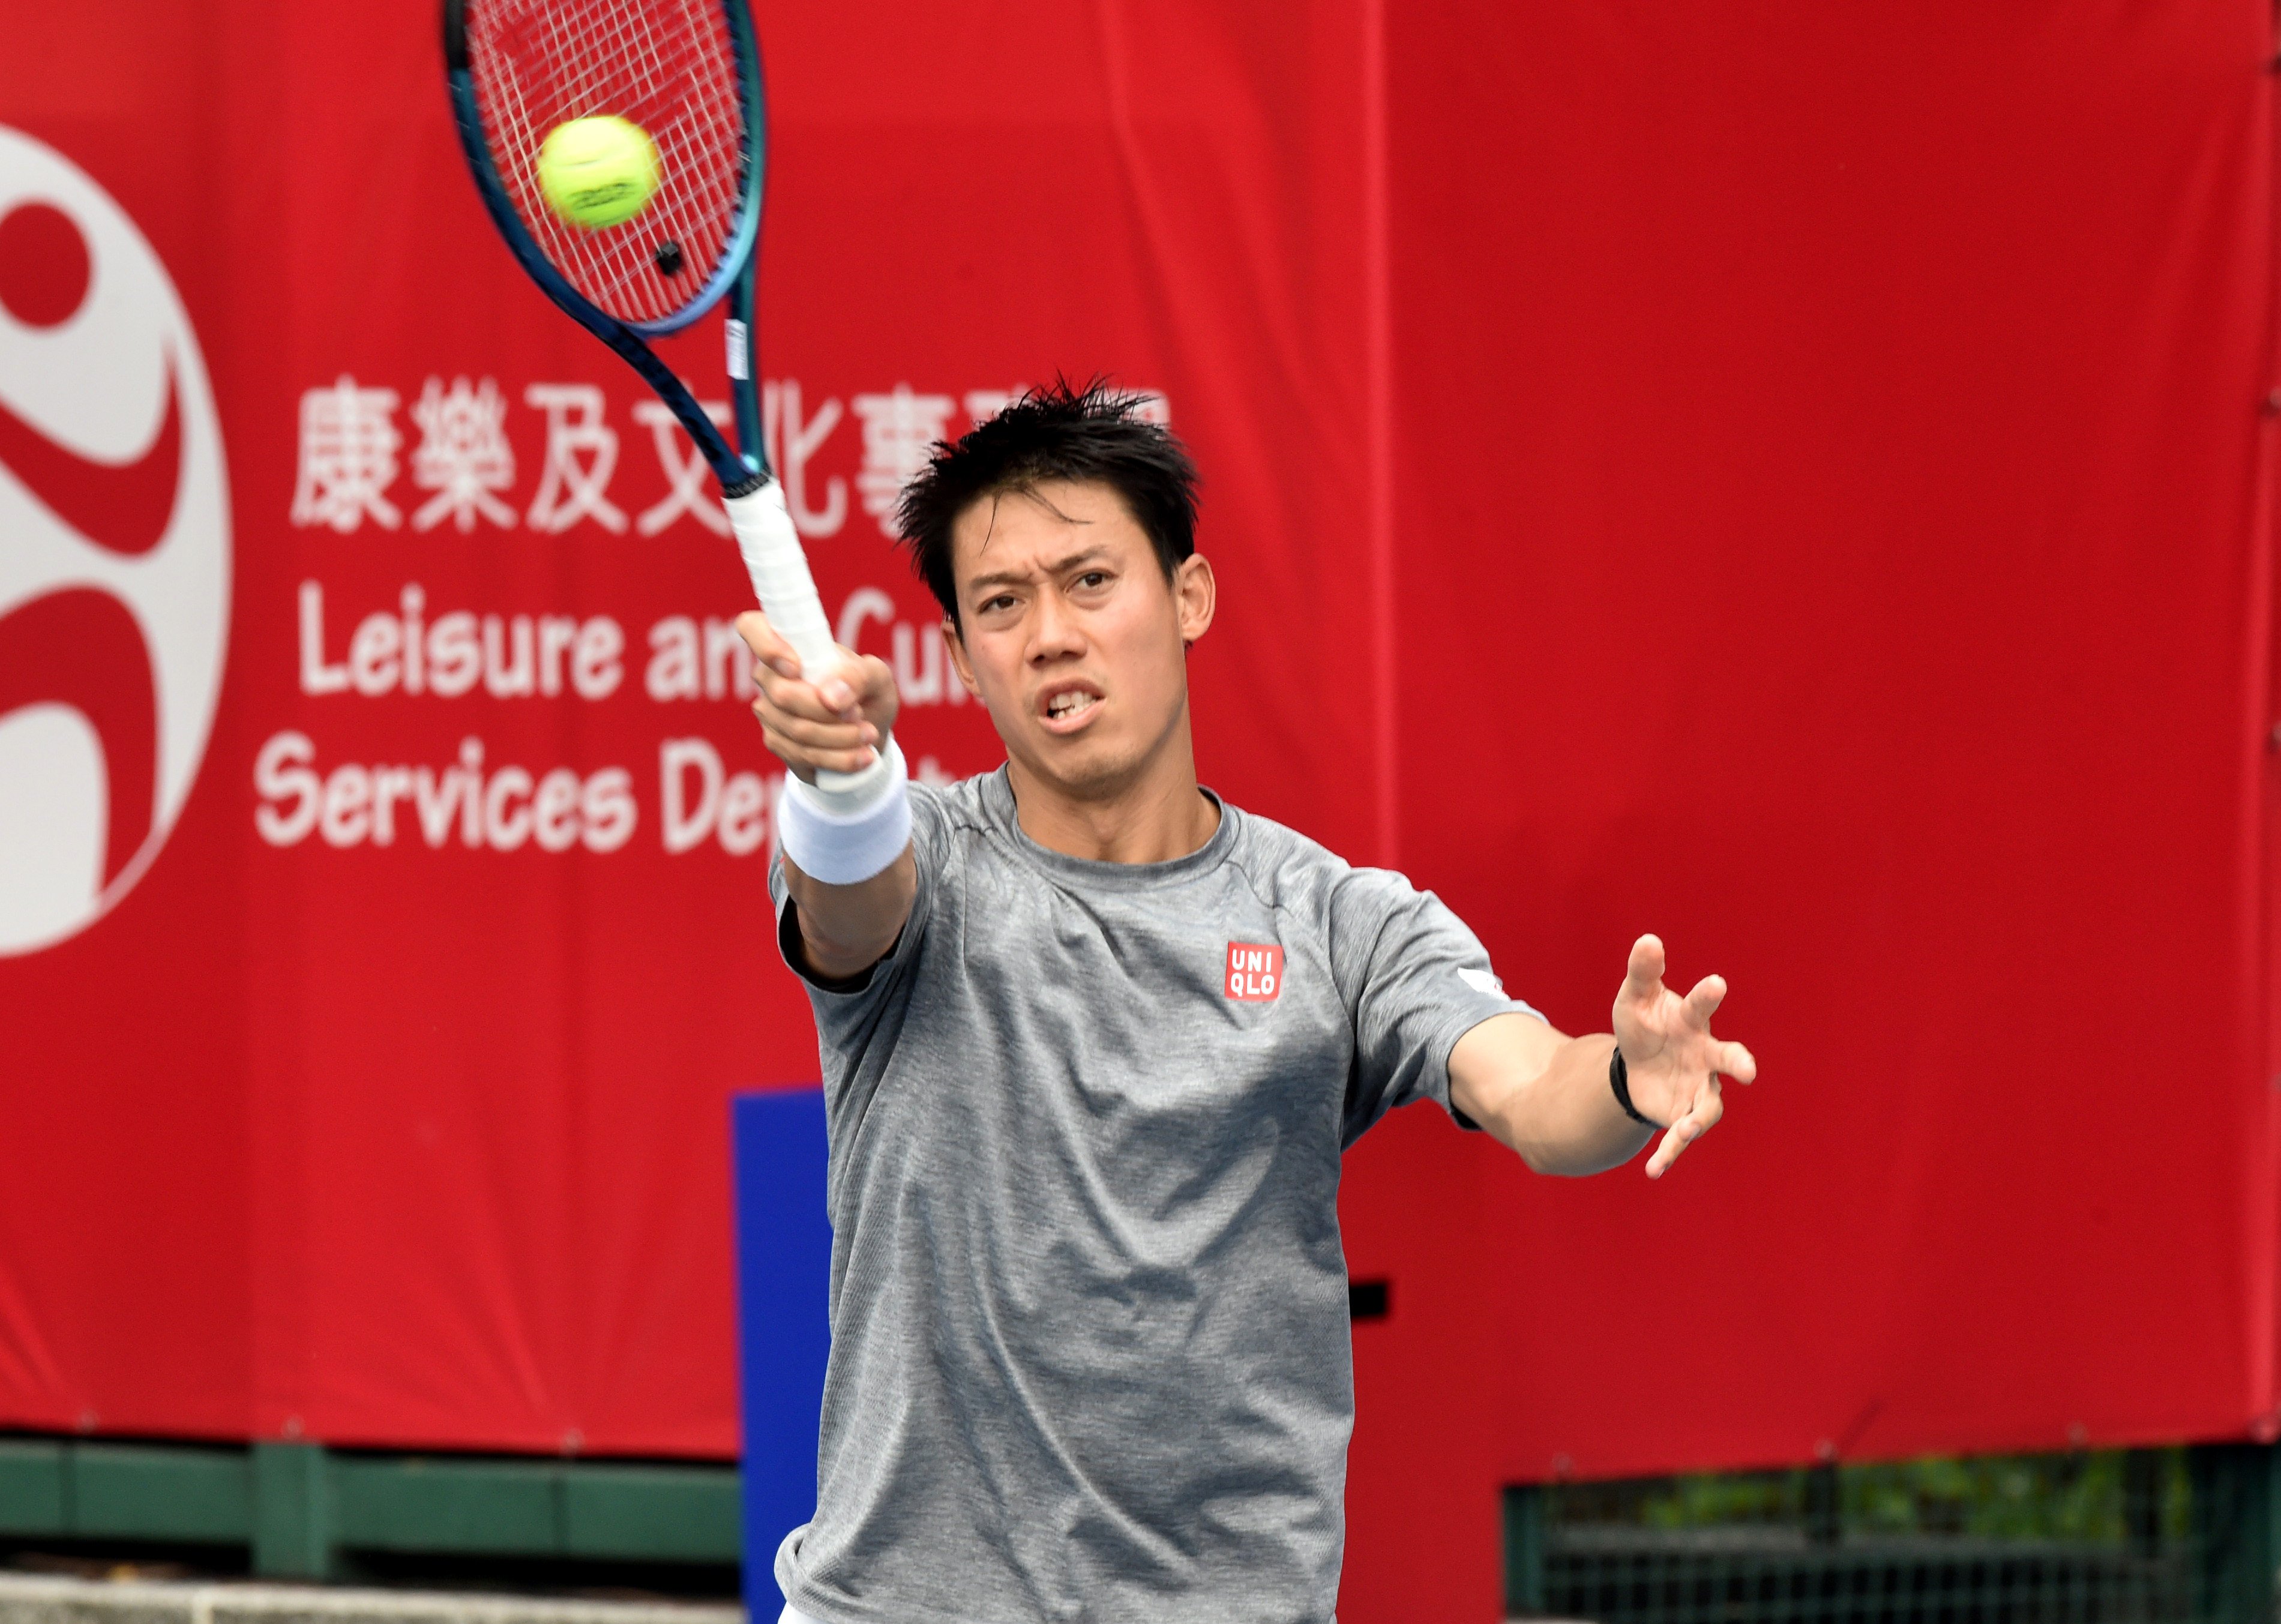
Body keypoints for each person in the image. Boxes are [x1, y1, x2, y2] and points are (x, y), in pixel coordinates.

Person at [735, 380, 1757, 1624]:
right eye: (1001, 605)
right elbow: (847, 903)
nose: (1050, 633)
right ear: (960, 655)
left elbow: (1527, 1089)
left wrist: (1619, 1080)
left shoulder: (1339, 923)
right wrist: (845, 783)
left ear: (1187, 598)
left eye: (1089, 581)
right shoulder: (927, 870)